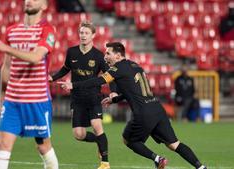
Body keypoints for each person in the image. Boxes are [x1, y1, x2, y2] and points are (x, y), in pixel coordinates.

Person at [58, 42, 207, 169]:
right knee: (174, 144)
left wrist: (73, 85)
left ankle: (158, 159)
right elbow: (134, 91)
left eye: (108, 53)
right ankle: (201, 167)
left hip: (143, 112)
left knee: (129, 140)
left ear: (117, 55)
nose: (105, 57)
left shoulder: (117, 68)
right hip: (157, 109)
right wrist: (115, 99)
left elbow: (98, 81)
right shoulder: (135, 65)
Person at [0, 0, 58, 169]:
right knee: (3, 144)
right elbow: (7, 66)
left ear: (44, 6)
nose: (29, 1)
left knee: (43, 146)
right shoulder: (12, 31)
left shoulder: (48, 30)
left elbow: (35, 58)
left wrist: (6, 48)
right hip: (13, 100)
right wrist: (2, 96)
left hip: (37, 100)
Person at [49, 21, 116, 169]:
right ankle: (100, 141)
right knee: (78, 134)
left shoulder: (99, 56)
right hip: (77, 98)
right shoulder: (71, 52)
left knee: (97, 125)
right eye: (81, 33)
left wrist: (113, 91)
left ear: (93, 35)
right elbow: (65, 68)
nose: (83, 36)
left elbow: (109, 76)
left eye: (86, 33)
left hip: (93, 97)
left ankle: (105, 163)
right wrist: (52, 78)